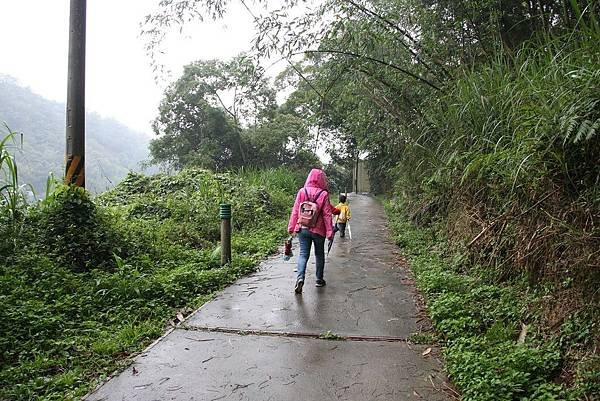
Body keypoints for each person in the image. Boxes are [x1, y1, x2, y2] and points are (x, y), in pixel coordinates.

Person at [288, 168, 334, 293]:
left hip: (303, 228)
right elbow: (327, 214)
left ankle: (300, 278)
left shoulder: (302, 191)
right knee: (319, 254)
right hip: (318, 231)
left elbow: (296, 210)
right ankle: (319, 280)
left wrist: (291, 227)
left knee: (303, 254)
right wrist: (329, 231)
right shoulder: (324, 194)